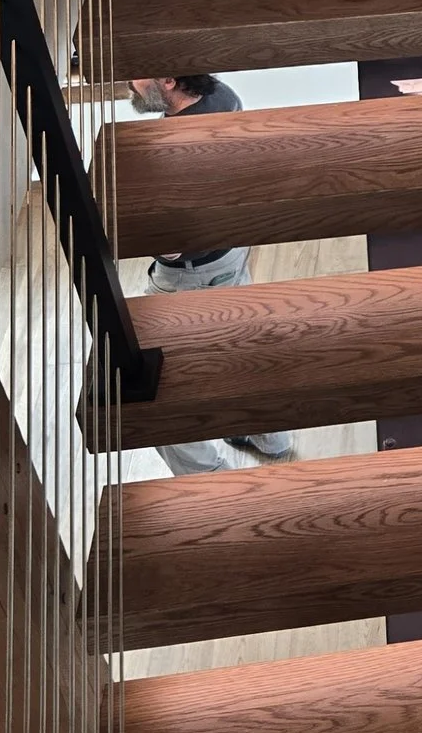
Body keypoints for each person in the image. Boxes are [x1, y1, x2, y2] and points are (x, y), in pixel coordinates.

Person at [127, 74, 297, 476]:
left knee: (149, 387)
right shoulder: (222, 95)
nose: (129, 83)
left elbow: (171, 246)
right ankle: (270, 439)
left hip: (190, 276)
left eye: (138, 76)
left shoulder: (175, 153)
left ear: (169, 81)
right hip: (231, 250)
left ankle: (207, 477)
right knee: (240, 346)